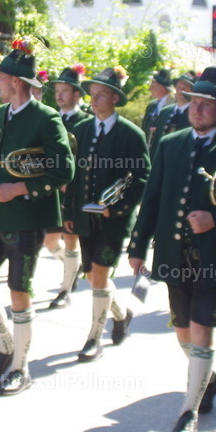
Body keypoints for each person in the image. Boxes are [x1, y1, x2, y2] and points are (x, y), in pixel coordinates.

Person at [128, 66, 216, 432]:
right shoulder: (170, 143)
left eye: (207, 105)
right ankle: (209, 377)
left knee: (202, 331)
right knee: (183, 334)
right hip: (174, 256)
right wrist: (138, 247)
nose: (199, 110)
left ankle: (187, 411)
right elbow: (152, 199)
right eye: (195, 102)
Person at [0, 37, 74, 396]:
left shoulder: (47, 118)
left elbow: (64, 171)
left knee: (19, 293)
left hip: (26, 219)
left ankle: (20, 368)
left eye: (0, 78)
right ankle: (6, 346)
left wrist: (20, 189)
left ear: (16, 82)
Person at [64, 67, 149, 361]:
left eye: (101, 94)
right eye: (92, 93)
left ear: (115, 97)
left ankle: (93, 338)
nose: (94, 98)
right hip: (85, 217)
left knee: (99, 275)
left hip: (114, 220)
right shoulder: (83, 129)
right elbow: (73, 174)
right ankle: (122, 314)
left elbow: (141, 178)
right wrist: (69, 211)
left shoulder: (131, 134)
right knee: (92, 276)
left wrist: (119, 207)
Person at [45, 64, 93, 309]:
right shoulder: (51, 117)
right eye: (57, 90)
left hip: (73, 191)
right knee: (51, 242)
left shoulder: (87, 121)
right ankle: (72, 269)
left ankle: (65, 290)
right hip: (50, 190)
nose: (59, 95)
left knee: (72, 239)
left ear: (77, 94)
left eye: (65, 91)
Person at [149, 71, 197, 158]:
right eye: (179, 87)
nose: (181, 91)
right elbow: (156, 141)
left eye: (185, 88)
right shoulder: (165, 111)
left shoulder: (194, 114)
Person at [142, 67, 175, 147]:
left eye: (153, 85)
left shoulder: (173, 105)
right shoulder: (152, 105)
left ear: (162, 87)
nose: (150, 88)